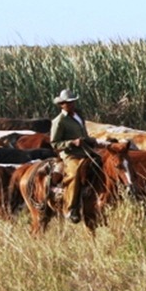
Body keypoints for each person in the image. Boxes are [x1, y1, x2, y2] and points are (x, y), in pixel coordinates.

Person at [49, 88, 98, 223]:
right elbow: (54, 143)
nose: (71, 105)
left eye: (73, 102)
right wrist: (72, 142)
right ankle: (70, 208)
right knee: (75, 173)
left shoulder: (78, 116)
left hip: (85, 150)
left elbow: (84, 134)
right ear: (61, 105)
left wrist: (89, 140)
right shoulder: (59, 121)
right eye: (68, 103)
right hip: (70, 154)